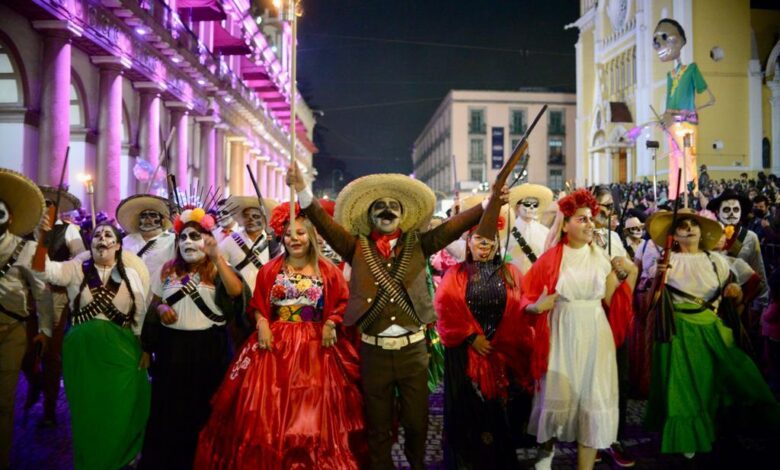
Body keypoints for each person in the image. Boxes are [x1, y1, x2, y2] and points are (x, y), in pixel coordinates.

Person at [287, 163, 506, 470]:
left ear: (403, 216)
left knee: (417, 424)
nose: (387, 211)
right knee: (378, 428)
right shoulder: (355, 247)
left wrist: (490, 200)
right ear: (370, 216)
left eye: (394, 207)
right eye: (380, 207)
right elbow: (322, 223)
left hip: (413, 352)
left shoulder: (421, 244)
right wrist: (301, 190)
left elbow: (454, 226)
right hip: (373, 352)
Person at [196, 202, 365, 469]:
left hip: (315, 349)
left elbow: (342, 303)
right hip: (274, 346)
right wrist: (262, 322)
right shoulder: (269, 270)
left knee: (310, 411)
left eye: (300, 233)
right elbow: (258, 305)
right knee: (266, 410)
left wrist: (331, 323)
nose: (294, 239)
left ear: (311, 236)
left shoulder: (329, 271)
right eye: (288, 234)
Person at [644, 208, 779, 460]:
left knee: (724, 377)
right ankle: (687, 436)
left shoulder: (716, 260)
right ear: (674, 234)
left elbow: (736, 290)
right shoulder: (666, 263)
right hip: (679, 330)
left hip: (712, 326)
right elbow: (653, 302)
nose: (689, 228)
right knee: (683, 386)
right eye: (682, 225)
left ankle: (730, 425)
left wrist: (733, 292)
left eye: (693, 224)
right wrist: (660, 277)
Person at [520, 189, 636, 470]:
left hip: (596, 333)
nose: (589, 224)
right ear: (566, 224)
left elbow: (611, 300)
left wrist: (631, 274)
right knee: (557, 398)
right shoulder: (549, 260)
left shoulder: (602, 257)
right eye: (582, 219)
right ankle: (544, 460)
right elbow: (524, 298)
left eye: (590, 219)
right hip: (561, 332)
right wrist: (536, 307)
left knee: (591, 403)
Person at [140, 206, 248, 470]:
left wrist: (217, 257)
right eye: (184, 237)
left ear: (207, 240)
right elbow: (154, 303)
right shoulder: (167, 269)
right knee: (170, 410)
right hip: (172, 351)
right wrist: (163, 308)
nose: (188, 242)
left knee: (203, 410)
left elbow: (235, 292)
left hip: (209, 351)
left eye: (195, 236)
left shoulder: (219, 268)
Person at [36, 221, 151, 470]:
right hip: (83, 353)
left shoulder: (131, 274)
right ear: (91, 244)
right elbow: (44, 271)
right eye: (97, 234)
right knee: (88, 413)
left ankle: (119, 458)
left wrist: (144, 347)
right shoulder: (76, 269)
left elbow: (140, 312)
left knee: (121, 408)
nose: (102, 238)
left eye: (108, 235)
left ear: (118, 246)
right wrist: (43, 238)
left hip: (122, 352)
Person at [435, 206, 524, 469]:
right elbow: (445, 310)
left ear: (497, 244)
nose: (484, 247)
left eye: (490, 242)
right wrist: (471, 336)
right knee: (467, 413)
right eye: (479, 241)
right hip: (464, 357)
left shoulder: (511, 273)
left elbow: (519, 307)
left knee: (498, 414)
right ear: (469, 244)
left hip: (499, 354)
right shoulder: (456, 275)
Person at [22, 185, 85, 426]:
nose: (47, 207)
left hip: (54, 293)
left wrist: (62, 270)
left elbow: (81, 254)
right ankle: (34, 379)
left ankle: (49, 408)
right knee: (25, 352)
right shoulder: (24, 229)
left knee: (51, 352)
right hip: (25, 295)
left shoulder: (69, 230)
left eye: (51, 203)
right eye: (42, 202)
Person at [0, 169, 49, 470]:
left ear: (10, 217)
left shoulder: (26, 248)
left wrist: (44, 328)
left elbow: (41, 292)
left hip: (11, 330)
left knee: (4, 401)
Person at [218, 195, 281, 293]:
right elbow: (218, 269)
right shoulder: (229, 242)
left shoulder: (273, 243)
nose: (250, 219)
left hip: (266, 299)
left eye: (255, 216)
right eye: (246, 216)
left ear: (265, 219)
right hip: (240, 301)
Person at [116, 194, 175, 281]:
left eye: (152, 215)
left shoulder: (172, 240)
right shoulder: (126, 241)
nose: (148, 219)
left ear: (162, 220)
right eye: (143, 216)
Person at [507, 184, 552, 275]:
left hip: (537, 280)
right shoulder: (506, 231)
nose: (531, 207)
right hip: (513, 280)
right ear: (517, 207)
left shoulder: (545, 232)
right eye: (527, 204)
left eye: (535, 205)